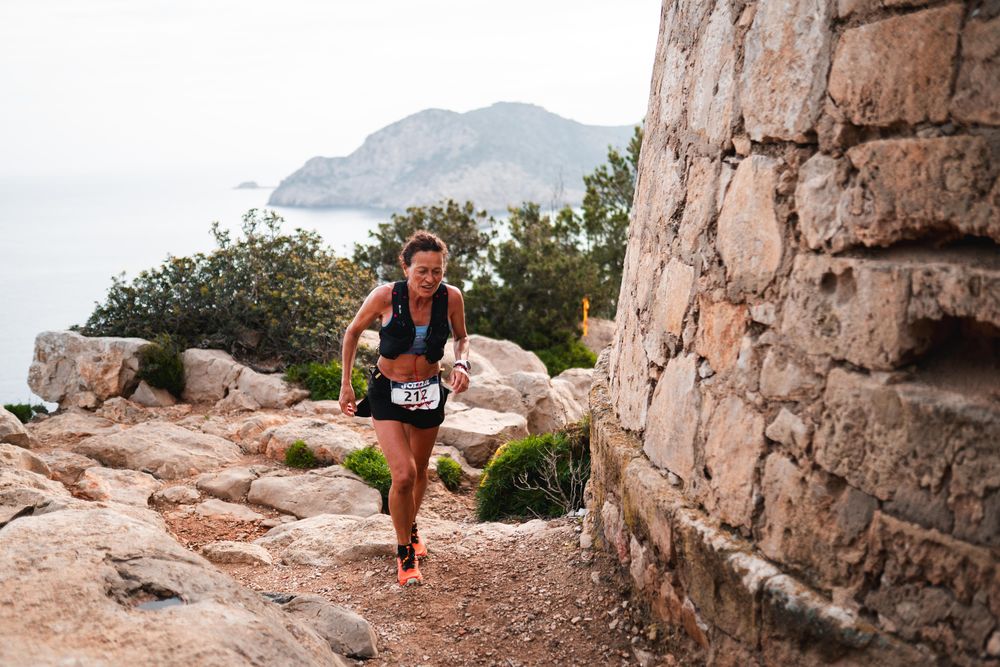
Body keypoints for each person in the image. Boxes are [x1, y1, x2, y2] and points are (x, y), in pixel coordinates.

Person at [339, 230, 471, 586]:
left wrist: (461, 363)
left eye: (437, 271)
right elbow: (352, 332)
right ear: (406, 268)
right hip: (387, 391)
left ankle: (410, 526)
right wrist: (346, 383)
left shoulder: (451, 298)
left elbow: (461, 337)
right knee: (403, 474)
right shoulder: (385, 296)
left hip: (427, 391)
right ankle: (404, 551)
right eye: (422, 271)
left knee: (422, 468)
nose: (430, 278)